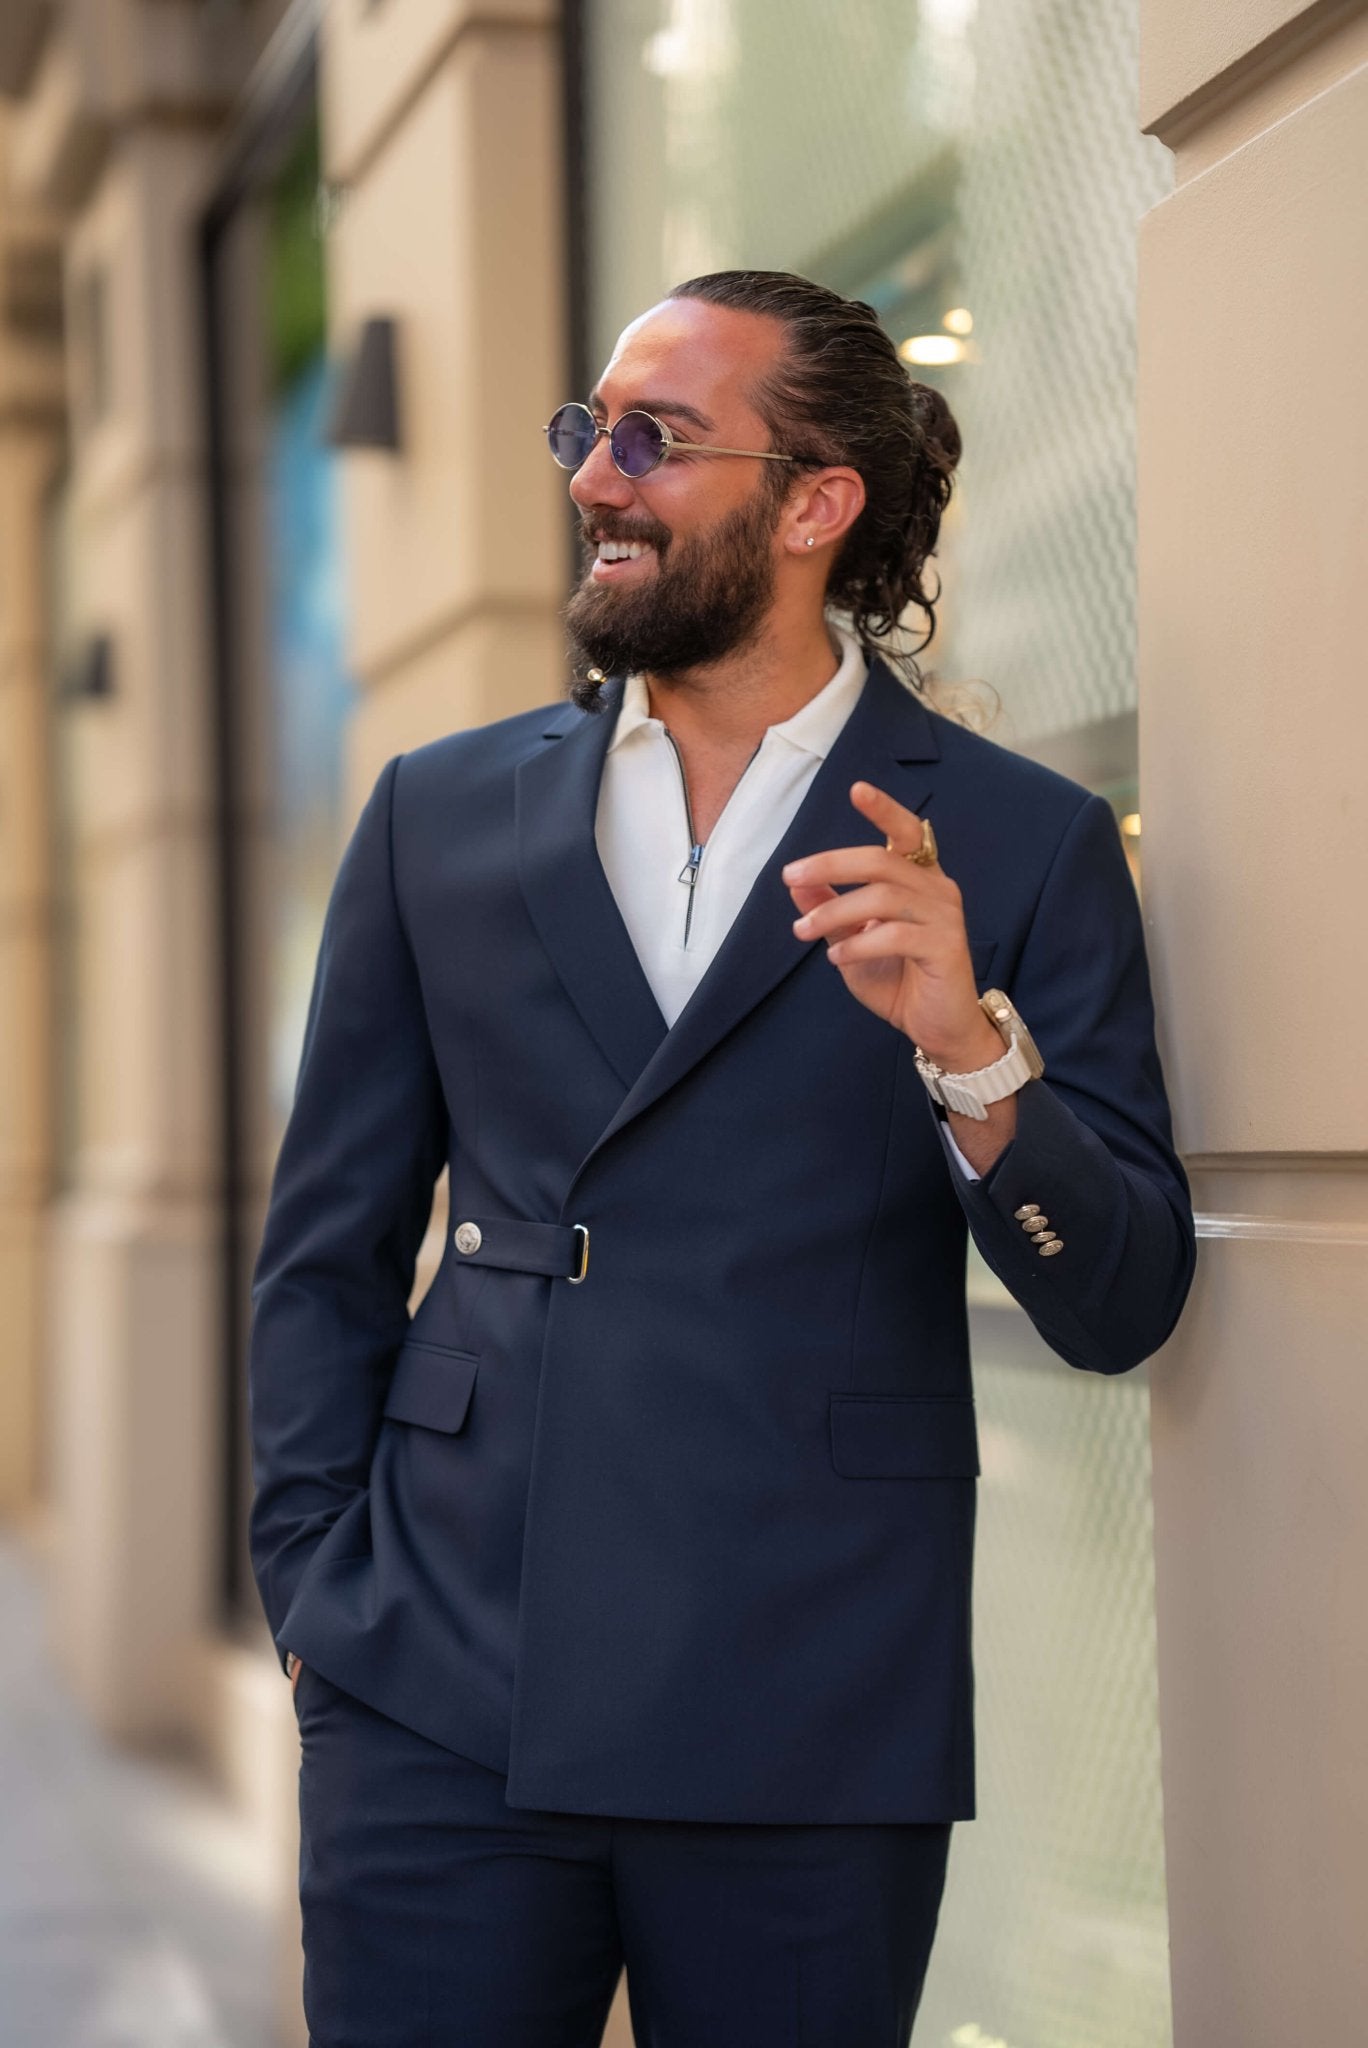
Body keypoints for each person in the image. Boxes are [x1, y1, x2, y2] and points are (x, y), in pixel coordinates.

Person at [248, 269, 1195, 2048]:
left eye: (655, 441)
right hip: (439, 1677)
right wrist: (315, 1593)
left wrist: (972, 1053)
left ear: (816, 504)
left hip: (812, 1695)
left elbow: (1125, 1300)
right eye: (587, 433)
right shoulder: (436, 816)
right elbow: (326, 1247)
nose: (597, 477)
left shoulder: (1016, 842)